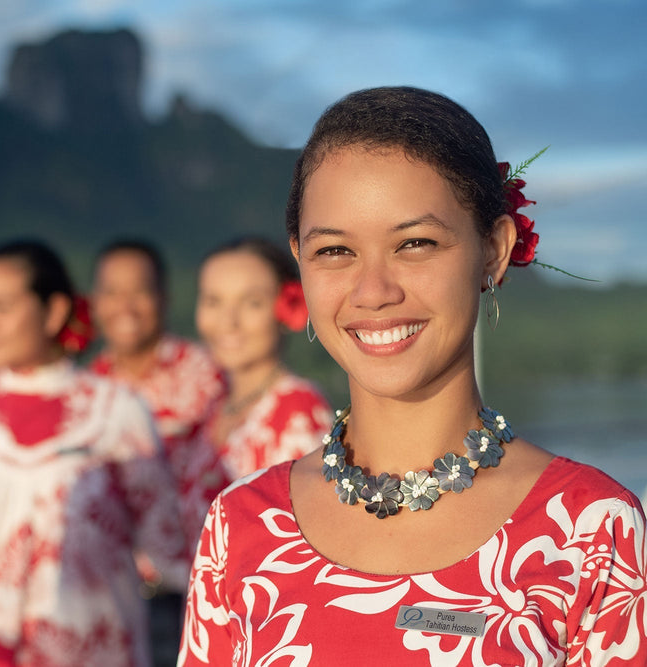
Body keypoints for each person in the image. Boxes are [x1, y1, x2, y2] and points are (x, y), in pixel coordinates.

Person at [178, 87, 647, 666]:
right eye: (334, 251)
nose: (373, 291)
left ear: (495, 250)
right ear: (299, 259)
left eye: (415, 243)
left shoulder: (592, 531)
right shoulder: (238, 527)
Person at [0, 239, 187, 667]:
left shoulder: (116, 412)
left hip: (97, 650)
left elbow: (167, 546)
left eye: (1, 307)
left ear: (54, 311)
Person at [88, 239, 225, 666]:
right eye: (112, 292)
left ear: (163, 298)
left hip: (184, 591)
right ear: (94, 302)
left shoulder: (204, 373)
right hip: (109, 595)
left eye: (139, 290)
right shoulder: (90, 389)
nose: (124, 305)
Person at [191, 236, 333, 494]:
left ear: (287, 306)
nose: (228, 321)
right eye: (213, 301)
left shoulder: (298, 410)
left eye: (251, 303)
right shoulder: (211, 406)